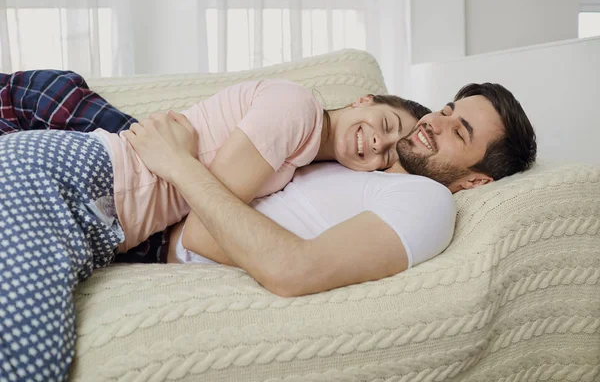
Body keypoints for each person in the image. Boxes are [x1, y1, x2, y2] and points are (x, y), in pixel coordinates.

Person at [0, 72, 428, 381]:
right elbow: (201, 234)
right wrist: (284, 254)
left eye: (387, 156)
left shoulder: (303, 153)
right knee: (32, 360)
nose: (377, 143)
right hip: (74, 180)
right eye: (386, 125)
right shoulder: (296, 110)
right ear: (363, 100)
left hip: (90, 211)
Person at [125, 82, 537, 297]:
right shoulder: (366, 154)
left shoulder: (427, 202)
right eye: (446, 111)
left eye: (459, 134)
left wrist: (179, 164)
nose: (434, 123)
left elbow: (293, 271)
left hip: (159, 223)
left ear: (475, 181)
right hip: (155, 186)